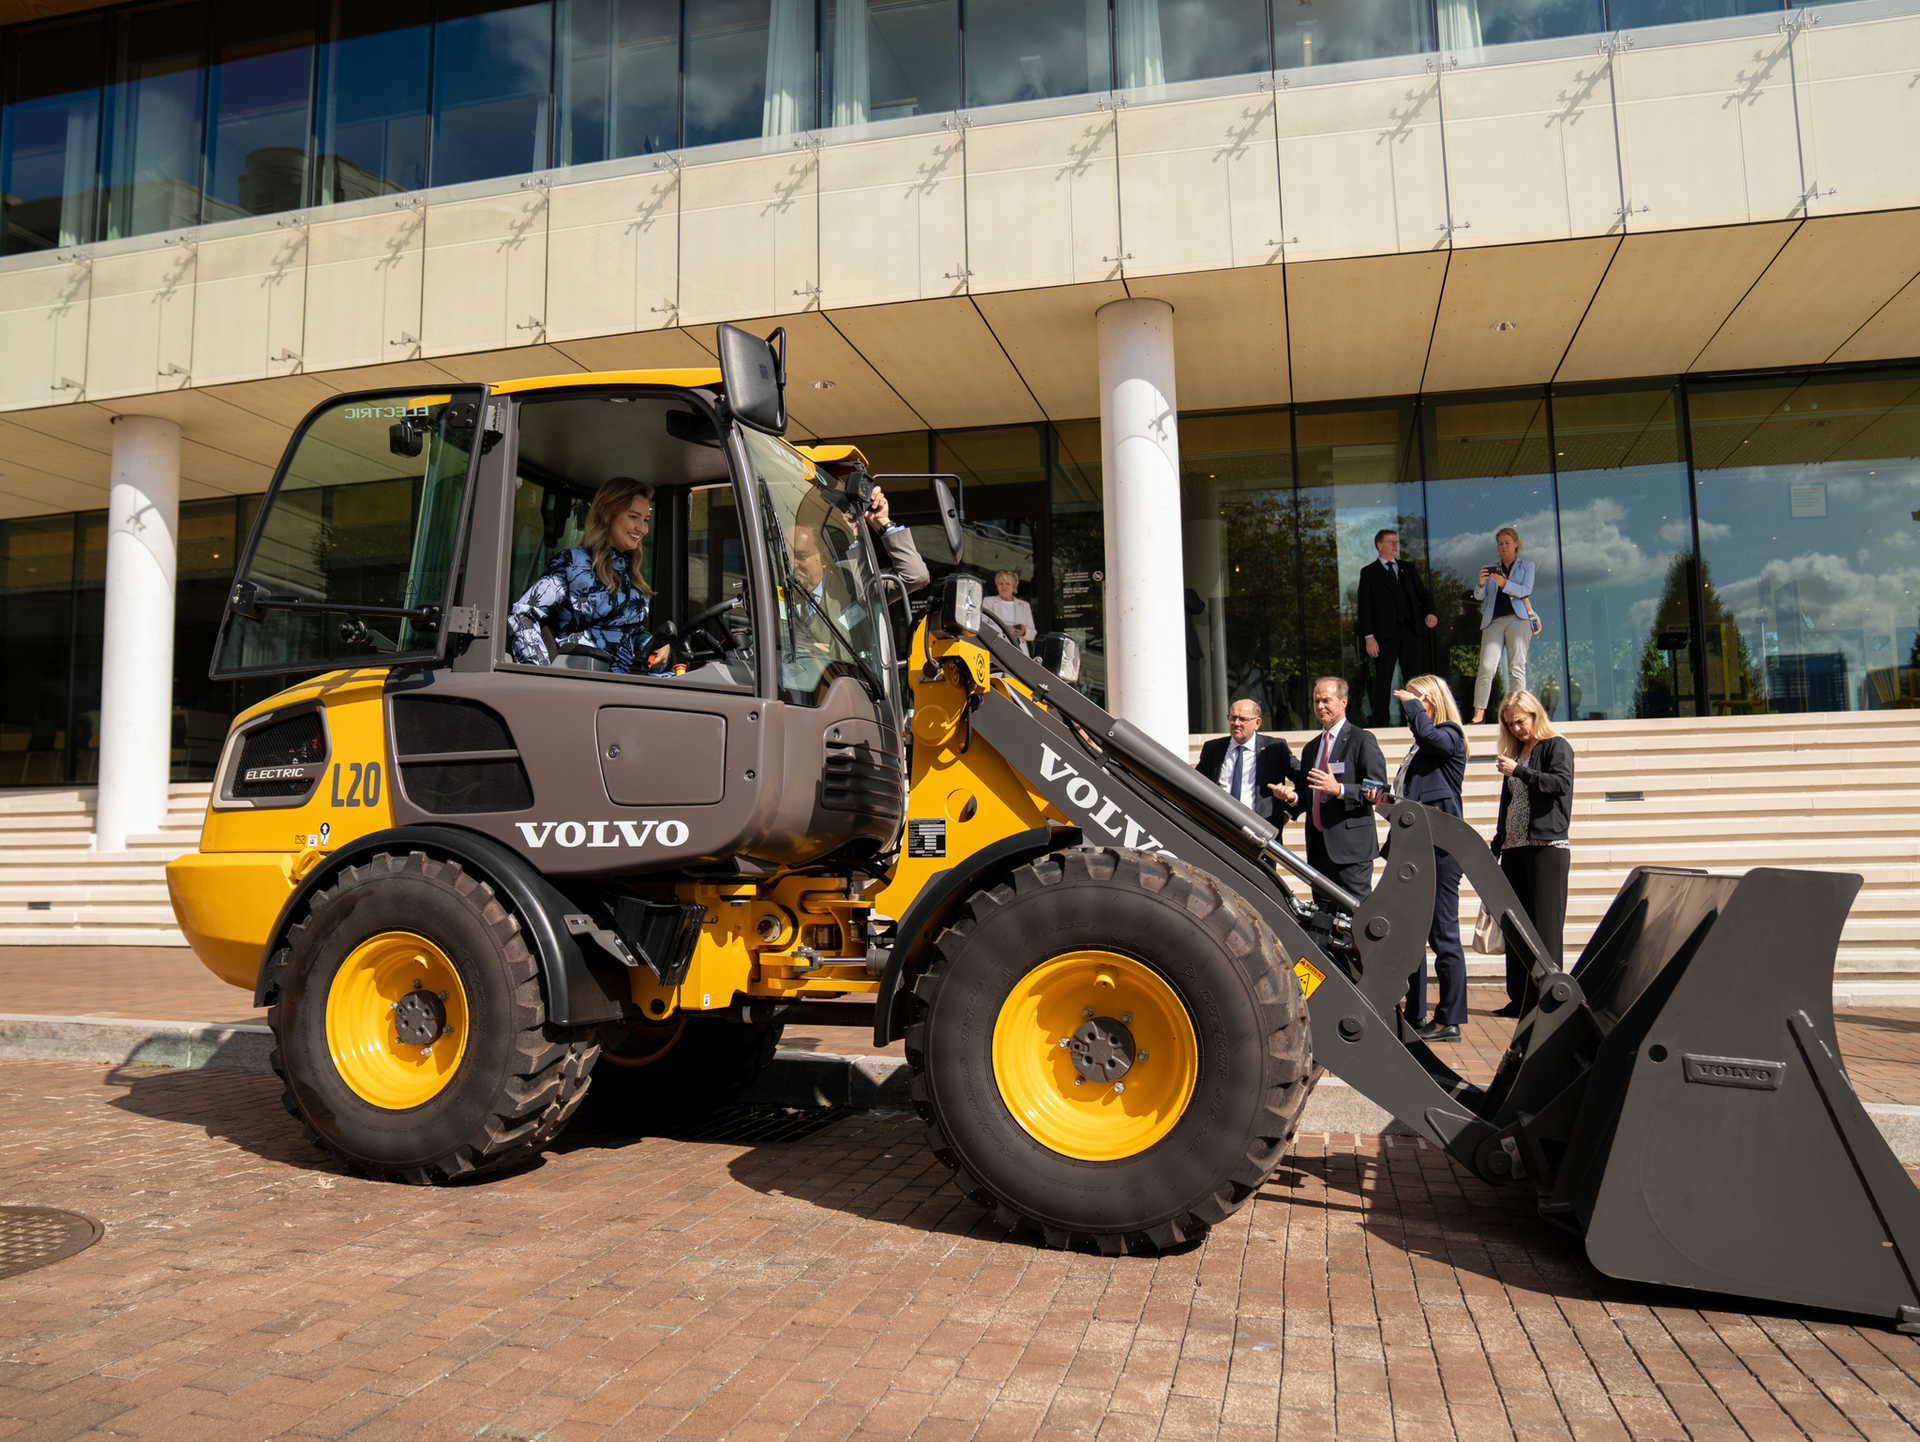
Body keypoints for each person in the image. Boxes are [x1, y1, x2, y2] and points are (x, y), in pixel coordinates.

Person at [508, 476, 671, 674]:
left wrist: (655, 644)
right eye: (633, 517)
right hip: (588, 678)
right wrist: (541, 675)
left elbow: (628, 633)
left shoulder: (630, 573)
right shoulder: (571, 564)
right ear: (608, 515)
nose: (643, 528)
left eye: (645, 520)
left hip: (630, 678)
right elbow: (523, 615)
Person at [1389, 675, 1468, 1041]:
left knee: (1443, 934)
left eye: (1415, 700)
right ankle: (1415, 1014)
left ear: (1432, 701)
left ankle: (1450, 1019)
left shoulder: (1449, 735)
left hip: (1440, 851)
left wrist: (1411, 705)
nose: (1408, 707)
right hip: (1413, 850)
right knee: (1410, 934)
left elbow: (1430, 736)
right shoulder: (1420, 748)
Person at [1490, 689, 1574, 1018]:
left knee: (1545, 928)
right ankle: (1520, 1000)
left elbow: (1560, 784)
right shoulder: (1516, 752)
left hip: (1546, 848)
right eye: (1509, 724)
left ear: (1535, 715)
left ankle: (1548, 1001)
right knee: (1516, 928)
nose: (1516, 729)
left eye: (1520, 721)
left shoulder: (1556, 746)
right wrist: (1497, 844)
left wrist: (1520, 772)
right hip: (1514, 848)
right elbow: (1509, 805)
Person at [1291, 676, 1388, 902]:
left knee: (1355, 913)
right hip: (1318, 849)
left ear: (1343, 702)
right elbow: (1310, 793)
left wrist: (1340, 790)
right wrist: (1293, 797)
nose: (1320, 706)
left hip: (1350, 851)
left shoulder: (1362, 740)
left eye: (1326, 700)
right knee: (1323, 916)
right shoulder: (1311, 748)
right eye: (1316, 701)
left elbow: (1379, 789)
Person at [1355, 529, 1437, 727]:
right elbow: (1364, 607)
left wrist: (1430, 612)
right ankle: (1382, 725)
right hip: (1384, 635)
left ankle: (1417, 720)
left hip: (1410, 632)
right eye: (1390, 542)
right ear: (1379, 545)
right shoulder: (1369, 572)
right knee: (1384, 680)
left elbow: (1424, 594)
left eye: (1396, 542)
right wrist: (1369, 637)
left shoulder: (1407, 568)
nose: (1395, 545)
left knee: (1414, 680)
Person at [1194, 697, 1296, 829]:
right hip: (1220, 827)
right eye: (1233, 718)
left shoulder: (1275, 748)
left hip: (1259, 829)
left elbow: (1304, 779)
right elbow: (1196, 784)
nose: (1236, 723)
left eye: (1242, 719)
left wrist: (1289, 810)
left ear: (1257, 723)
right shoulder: (1213, 749)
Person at [1471, 526, 1537, 724]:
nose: (1503, 547)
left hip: (1518, 619)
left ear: (1516, 544)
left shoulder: (1527, 566)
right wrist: (1481, 583)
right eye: (1500, 544)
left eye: (1507, 543)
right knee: (1486, 667)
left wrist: (1504, 584)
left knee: (1516, 667)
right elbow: (1479, 597)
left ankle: (1519, 712)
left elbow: (1526, 590)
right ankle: (1478, 715)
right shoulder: (1492, 568)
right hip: (1493, 621)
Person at [981, 570, 1036, 654]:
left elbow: (1032, 634)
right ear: (997, 586)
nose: (1004, 587)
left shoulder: (1024, 605)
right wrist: (1002, 629)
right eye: (1001, 584)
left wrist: (1024, 632)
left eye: (1007, 584)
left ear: (1014, 586)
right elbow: (982, 627)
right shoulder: (988, 602)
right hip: (996, 650)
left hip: (1019, 651)